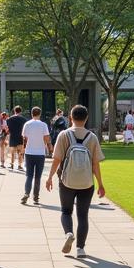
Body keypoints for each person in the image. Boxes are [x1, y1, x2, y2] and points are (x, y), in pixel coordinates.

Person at [46, 104, 106, 258]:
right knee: (83, 215)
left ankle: (68, 233)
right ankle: (80, 249)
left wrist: (49, 177)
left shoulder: (64, 135)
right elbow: (95, 164)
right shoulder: (92, 137)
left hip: (67, 181)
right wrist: (100, 184)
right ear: (86, 118)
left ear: (70, 118)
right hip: (86, 182)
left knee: (66, 211)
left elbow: (57, 159)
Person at [21, 106, 52, 205]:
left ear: (31, 114)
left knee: (29, 175)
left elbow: (24, 139)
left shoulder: (27, 124)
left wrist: (24, 149)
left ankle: (26, 193)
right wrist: (49, 146)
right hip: (40, 153)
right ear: (40, 114)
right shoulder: (43, 125)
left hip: (29, 152)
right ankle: (36, 197)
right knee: (38, 176)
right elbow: (47, 138)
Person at [5, 106, 26, 170]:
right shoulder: (24, 119)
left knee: (12, 152)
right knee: (20, 152)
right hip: (20, 137)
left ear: (14, 111)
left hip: (12, 136)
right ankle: (19, 165)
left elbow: (7, 129)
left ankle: (11, 164)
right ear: (21, 111)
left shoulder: (9, 119)